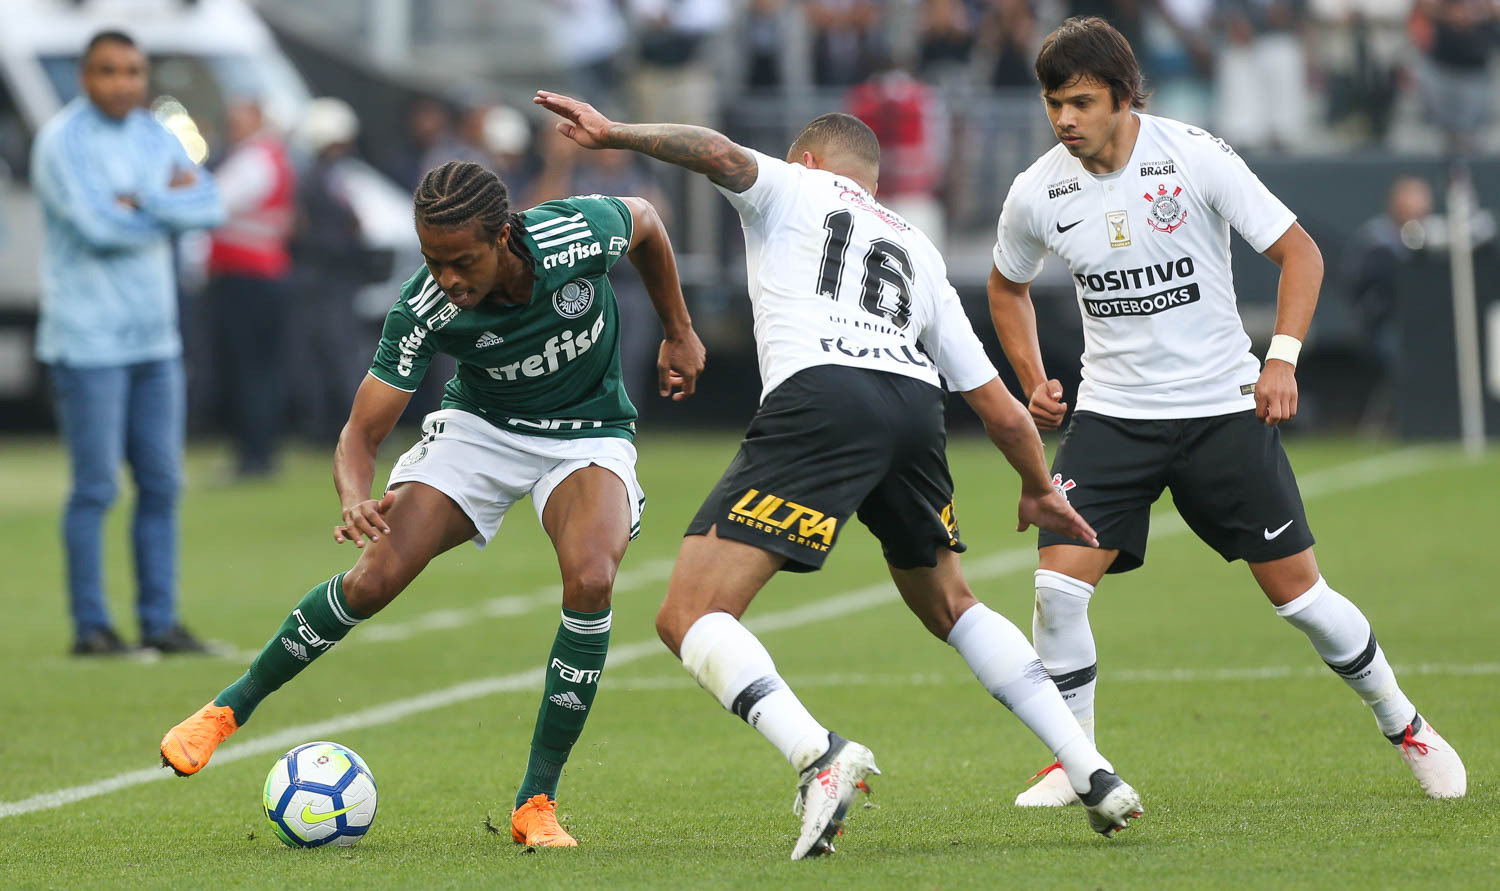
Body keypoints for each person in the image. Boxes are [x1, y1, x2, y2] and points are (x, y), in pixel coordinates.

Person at [535, 89, 1144, 860]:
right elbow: (996, 402)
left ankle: (819, 757)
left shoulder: (792, 187)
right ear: (875, 185)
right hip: (914, 406)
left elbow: (719, 153)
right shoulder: (916, 247)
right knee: (952, 602)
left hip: (822, 395)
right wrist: (1037, 485)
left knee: (686, 613)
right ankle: (1091, 767)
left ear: (809, 160)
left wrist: (615, 130)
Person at [985, 17, 1465, 807]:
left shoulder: (1193, 155)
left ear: (1124, 97)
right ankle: (1075, 762)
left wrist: (1281, 359)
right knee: (1056, 592)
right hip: (1112, 419)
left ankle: (1405, 722)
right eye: (1052, 104)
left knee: (1302, 600)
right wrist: (1033, 375)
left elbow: (1299, 251)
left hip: (1220, 412)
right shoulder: (1038, 190)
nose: (1064, 119)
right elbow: (1007, 286)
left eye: (1079, 102)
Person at [160, 160, 707, 850]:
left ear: (504, 236)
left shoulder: (575, 234)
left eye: (460, 260)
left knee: (592, 577)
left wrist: (678, 329)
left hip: (586, 430)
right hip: (481, 430)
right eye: (431, 259)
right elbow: (360, 432)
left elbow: (650, 226)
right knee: (373, 578)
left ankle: (535, 800)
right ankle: (225, 709)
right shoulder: (423, 308)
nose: (446, 277)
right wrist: (354, 494)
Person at [32, 30, 224, 656]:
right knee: (96, 488)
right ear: (85, 77)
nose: (123, 83)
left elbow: (211, 203)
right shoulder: (62, 140)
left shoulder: (153, 133)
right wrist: (164, 202)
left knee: (163, 483)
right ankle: (92, 627)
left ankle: (159, 622)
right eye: (108, 71)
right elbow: (96, 227)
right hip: (88, 340)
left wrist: (138, 199)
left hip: (154, 339)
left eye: (133, 71)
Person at [207, 98, 296, 479]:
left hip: (245, 277)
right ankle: (259, 453)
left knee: (246, 370)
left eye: (239, 120)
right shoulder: (271, 157)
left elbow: (213, 202)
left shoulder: (252, 159)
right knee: (260, 370)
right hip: (263, 276)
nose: (233, 127)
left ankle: (253, 457)